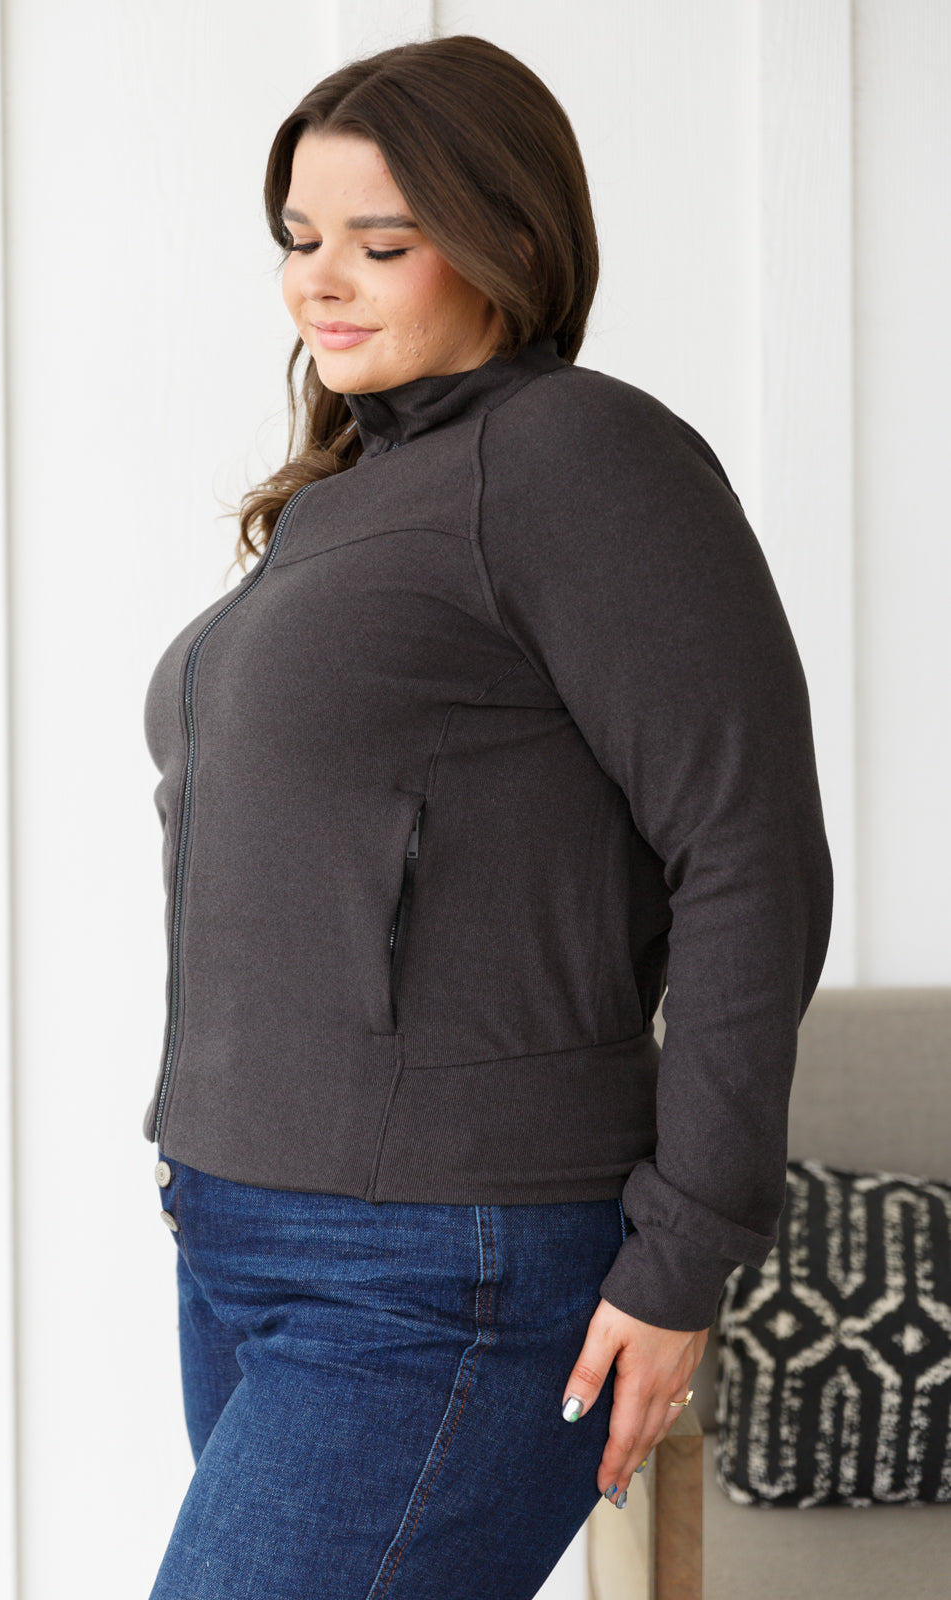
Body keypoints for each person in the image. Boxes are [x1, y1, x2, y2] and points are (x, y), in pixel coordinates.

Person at [142, 33, 833, 1600]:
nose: (322, 281)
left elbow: (747, 853)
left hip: (442, 1264)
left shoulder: (579, 454)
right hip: (243, 1233)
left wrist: (685, 1254)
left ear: (510, 240)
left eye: (381, 243)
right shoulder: (353, 492)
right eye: (300, 238)